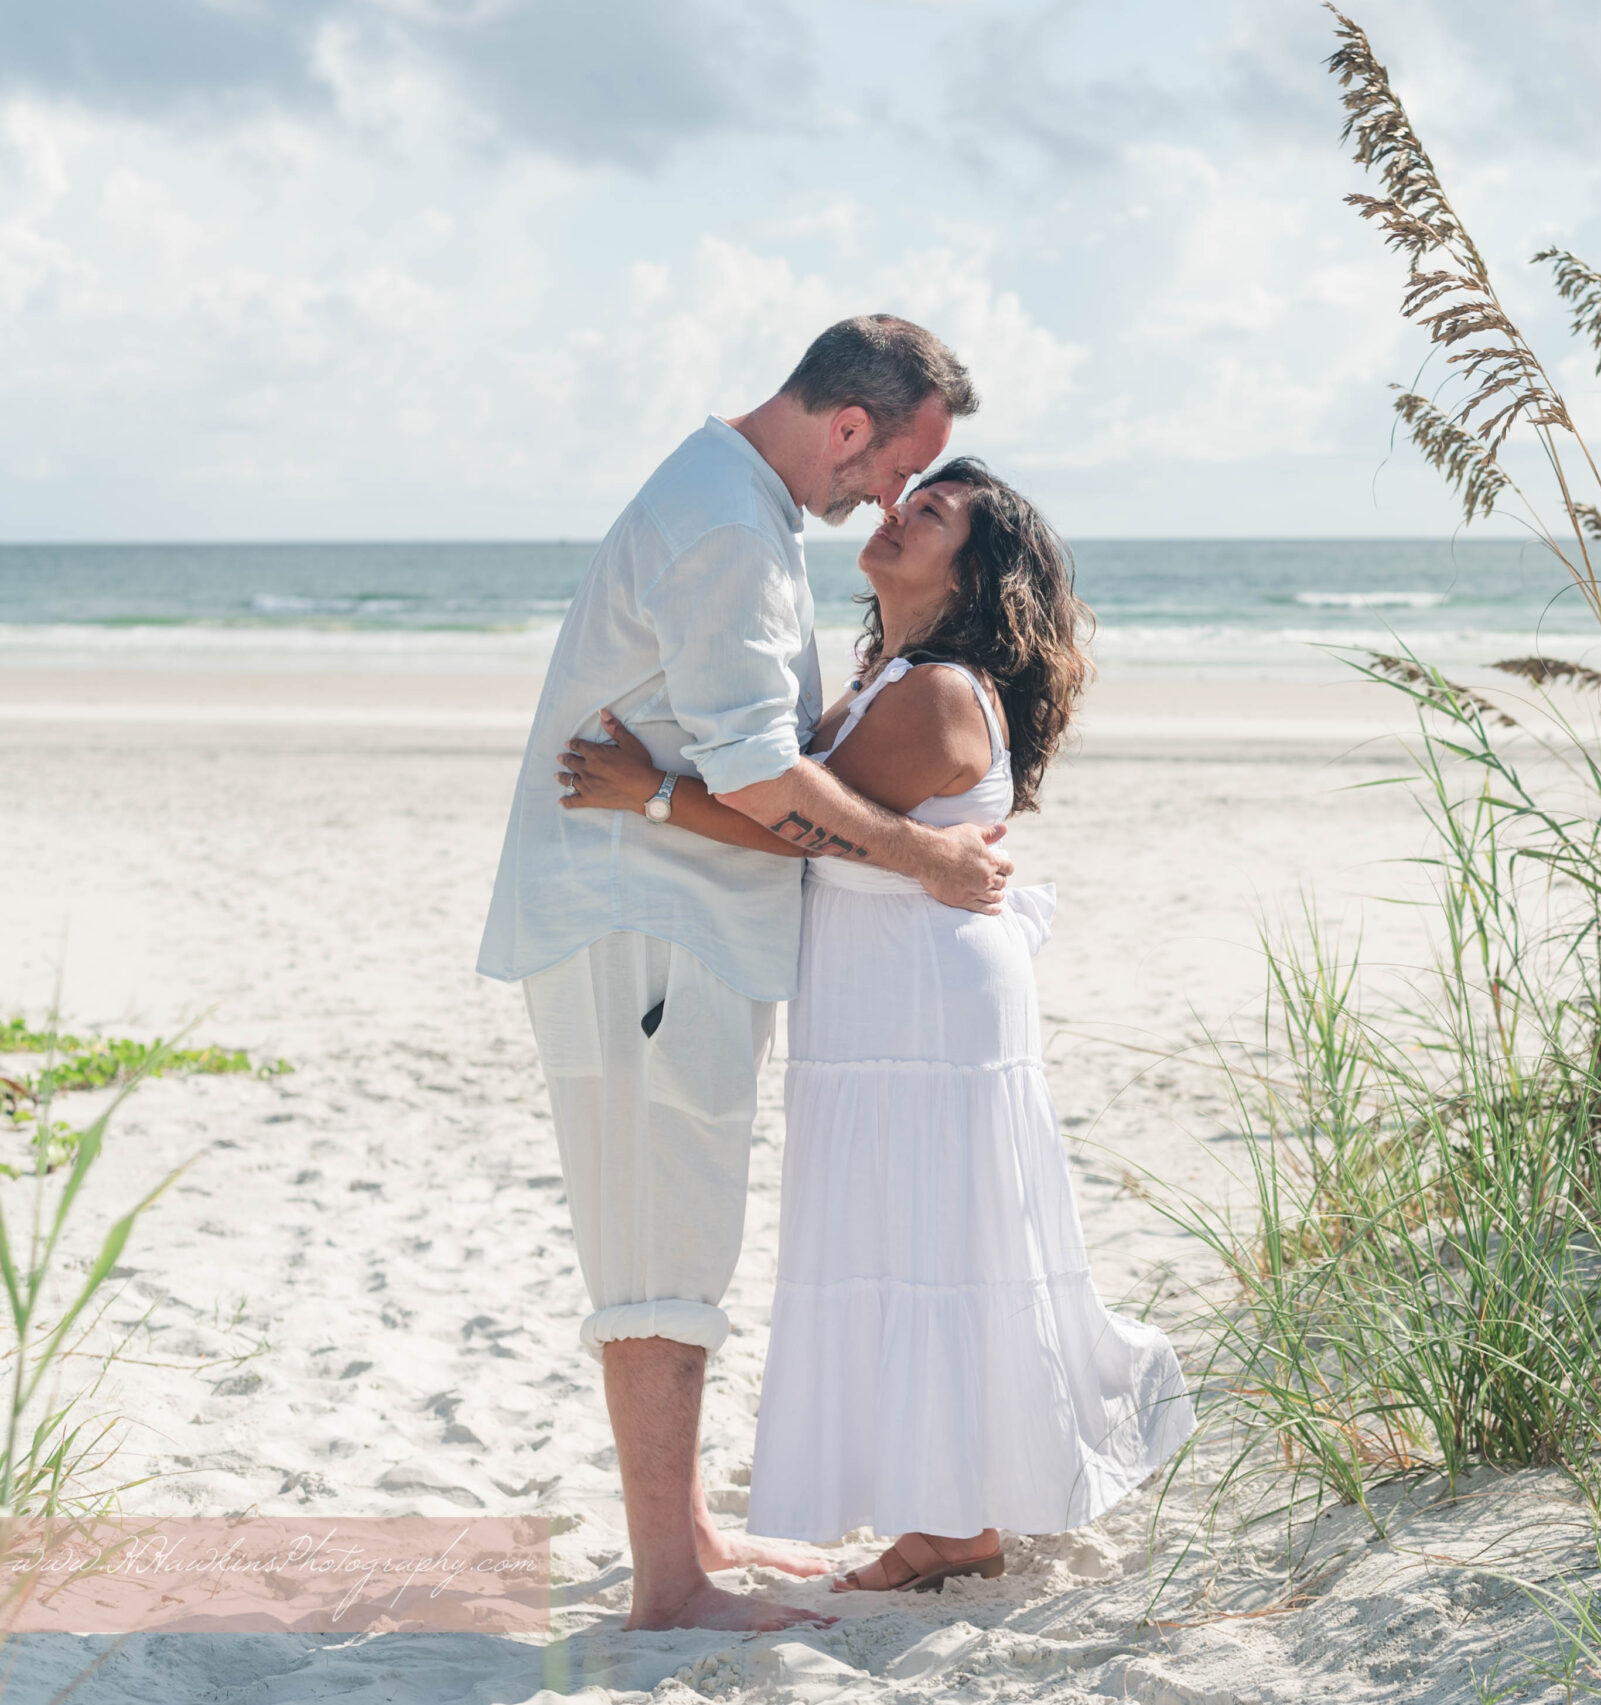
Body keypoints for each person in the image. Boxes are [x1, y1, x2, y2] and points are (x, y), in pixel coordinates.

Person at [556, 457, 1194, 1597]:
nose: (897, 514)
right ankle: (948, 1516)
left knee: (929, 1247)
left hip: (923, 1003)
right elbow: (816, 808)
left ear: (975, 570)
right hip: (887, 989)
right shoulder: (887, 671)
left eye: (931, 513)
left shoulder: (939, 692)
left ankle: (953, 1527)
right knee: (905, 1244)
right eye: (906, 499)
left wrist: (644, 790)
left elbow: (801, 822)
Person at [477, 315, 1009, 1632]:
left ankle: (689, 1533)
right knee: (662, 1251)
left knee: (683, 1232)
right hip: (645, 926)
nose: (885, 499)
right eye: (892, 469)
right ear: (847, 427)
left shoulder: (742, 508)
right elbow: (760, 776)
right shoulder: (728, 528)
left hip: (670, 924)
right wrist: (922, 861)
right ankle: (671, 1582)